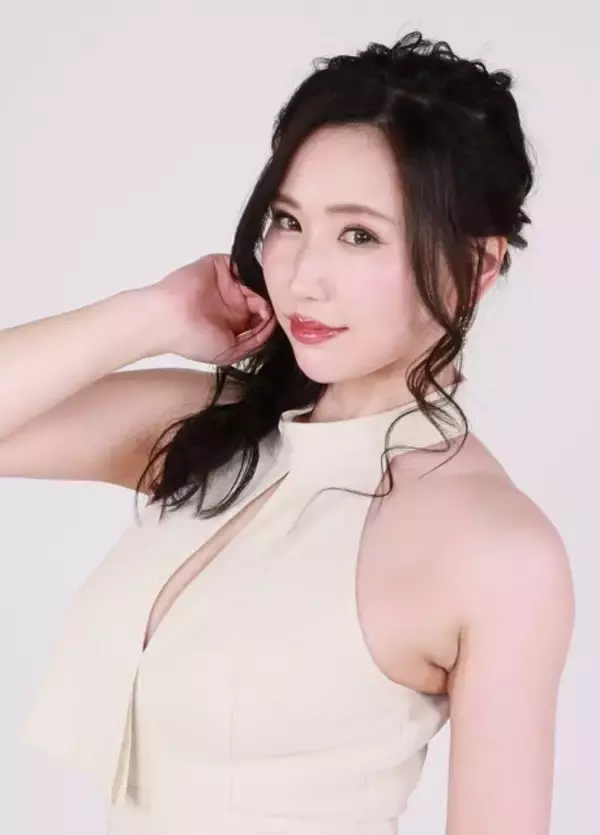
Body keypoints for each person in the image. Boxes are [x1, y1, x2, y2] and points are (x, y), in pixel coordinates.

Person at [4, 31, 573, 835]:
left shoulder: (498, 550)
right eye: (287, 220)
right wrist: (151, 315)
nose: (303, 275)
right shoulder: (217, 432)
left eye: (359, 234)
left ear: (475, 267)